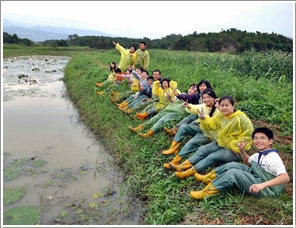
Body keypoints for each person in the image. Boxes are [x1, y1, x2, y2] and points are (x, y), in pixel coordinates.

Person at [190, 127, 290, 200]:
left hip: (268, 190)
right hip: (258, 177)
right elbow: (247, 161)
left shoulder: (272, 157)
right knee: (233, 165)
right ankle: (208, 178)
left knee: (233, 173)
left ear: (270, 141)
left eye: (262, 138)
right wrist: (241, 150)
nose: (258, 141)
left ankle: (205, 193)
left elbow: (285, 177)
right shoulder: (259, 154)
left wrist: (262, 185)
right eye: (256, 138)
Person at [170, 95, 254, 179]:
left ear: (233, 106)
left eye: (227, 105)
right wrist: (204, 119)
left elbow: (248, 134)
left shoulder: (241, 118)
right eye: (222, 105)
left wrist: (235, 147)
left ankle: (188, 172)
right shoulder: (220, 116)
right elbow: (211, 125)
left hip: (236, 149)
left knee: (212, 157)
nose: (224, 108)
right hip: (222, 143)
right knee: (202, 149)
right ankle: (182, 166)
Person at [162, 88, 220, 169]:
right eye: (204, 98)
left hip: (210, 135)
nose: (206, 99)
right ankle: (173, 149)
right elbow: (195, 107)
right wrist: (188, 106)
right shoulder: (204, 106)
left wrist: (205, 119)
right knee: (183, 127)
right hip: (202, 130)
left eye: (208, 97)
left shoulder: (219, 109)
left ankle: (176, 162)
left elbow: (214, 125)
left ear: (214, 98)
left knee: (191, 143)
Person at [128, 84, 200, 138]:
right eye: (190, 88)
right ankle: (138, 128)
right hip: (168, 109)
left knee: (163, 119)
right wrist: (169, 98)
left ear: (197, 92)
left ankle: (149, 133)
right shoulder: (183, 94)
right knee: (155, 118)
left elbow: (186, 99)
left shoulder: (193, 99)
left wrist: (178, 95)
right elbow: (173, 100)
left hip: (177, 113)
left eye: (193, 89)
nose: (190, 90)